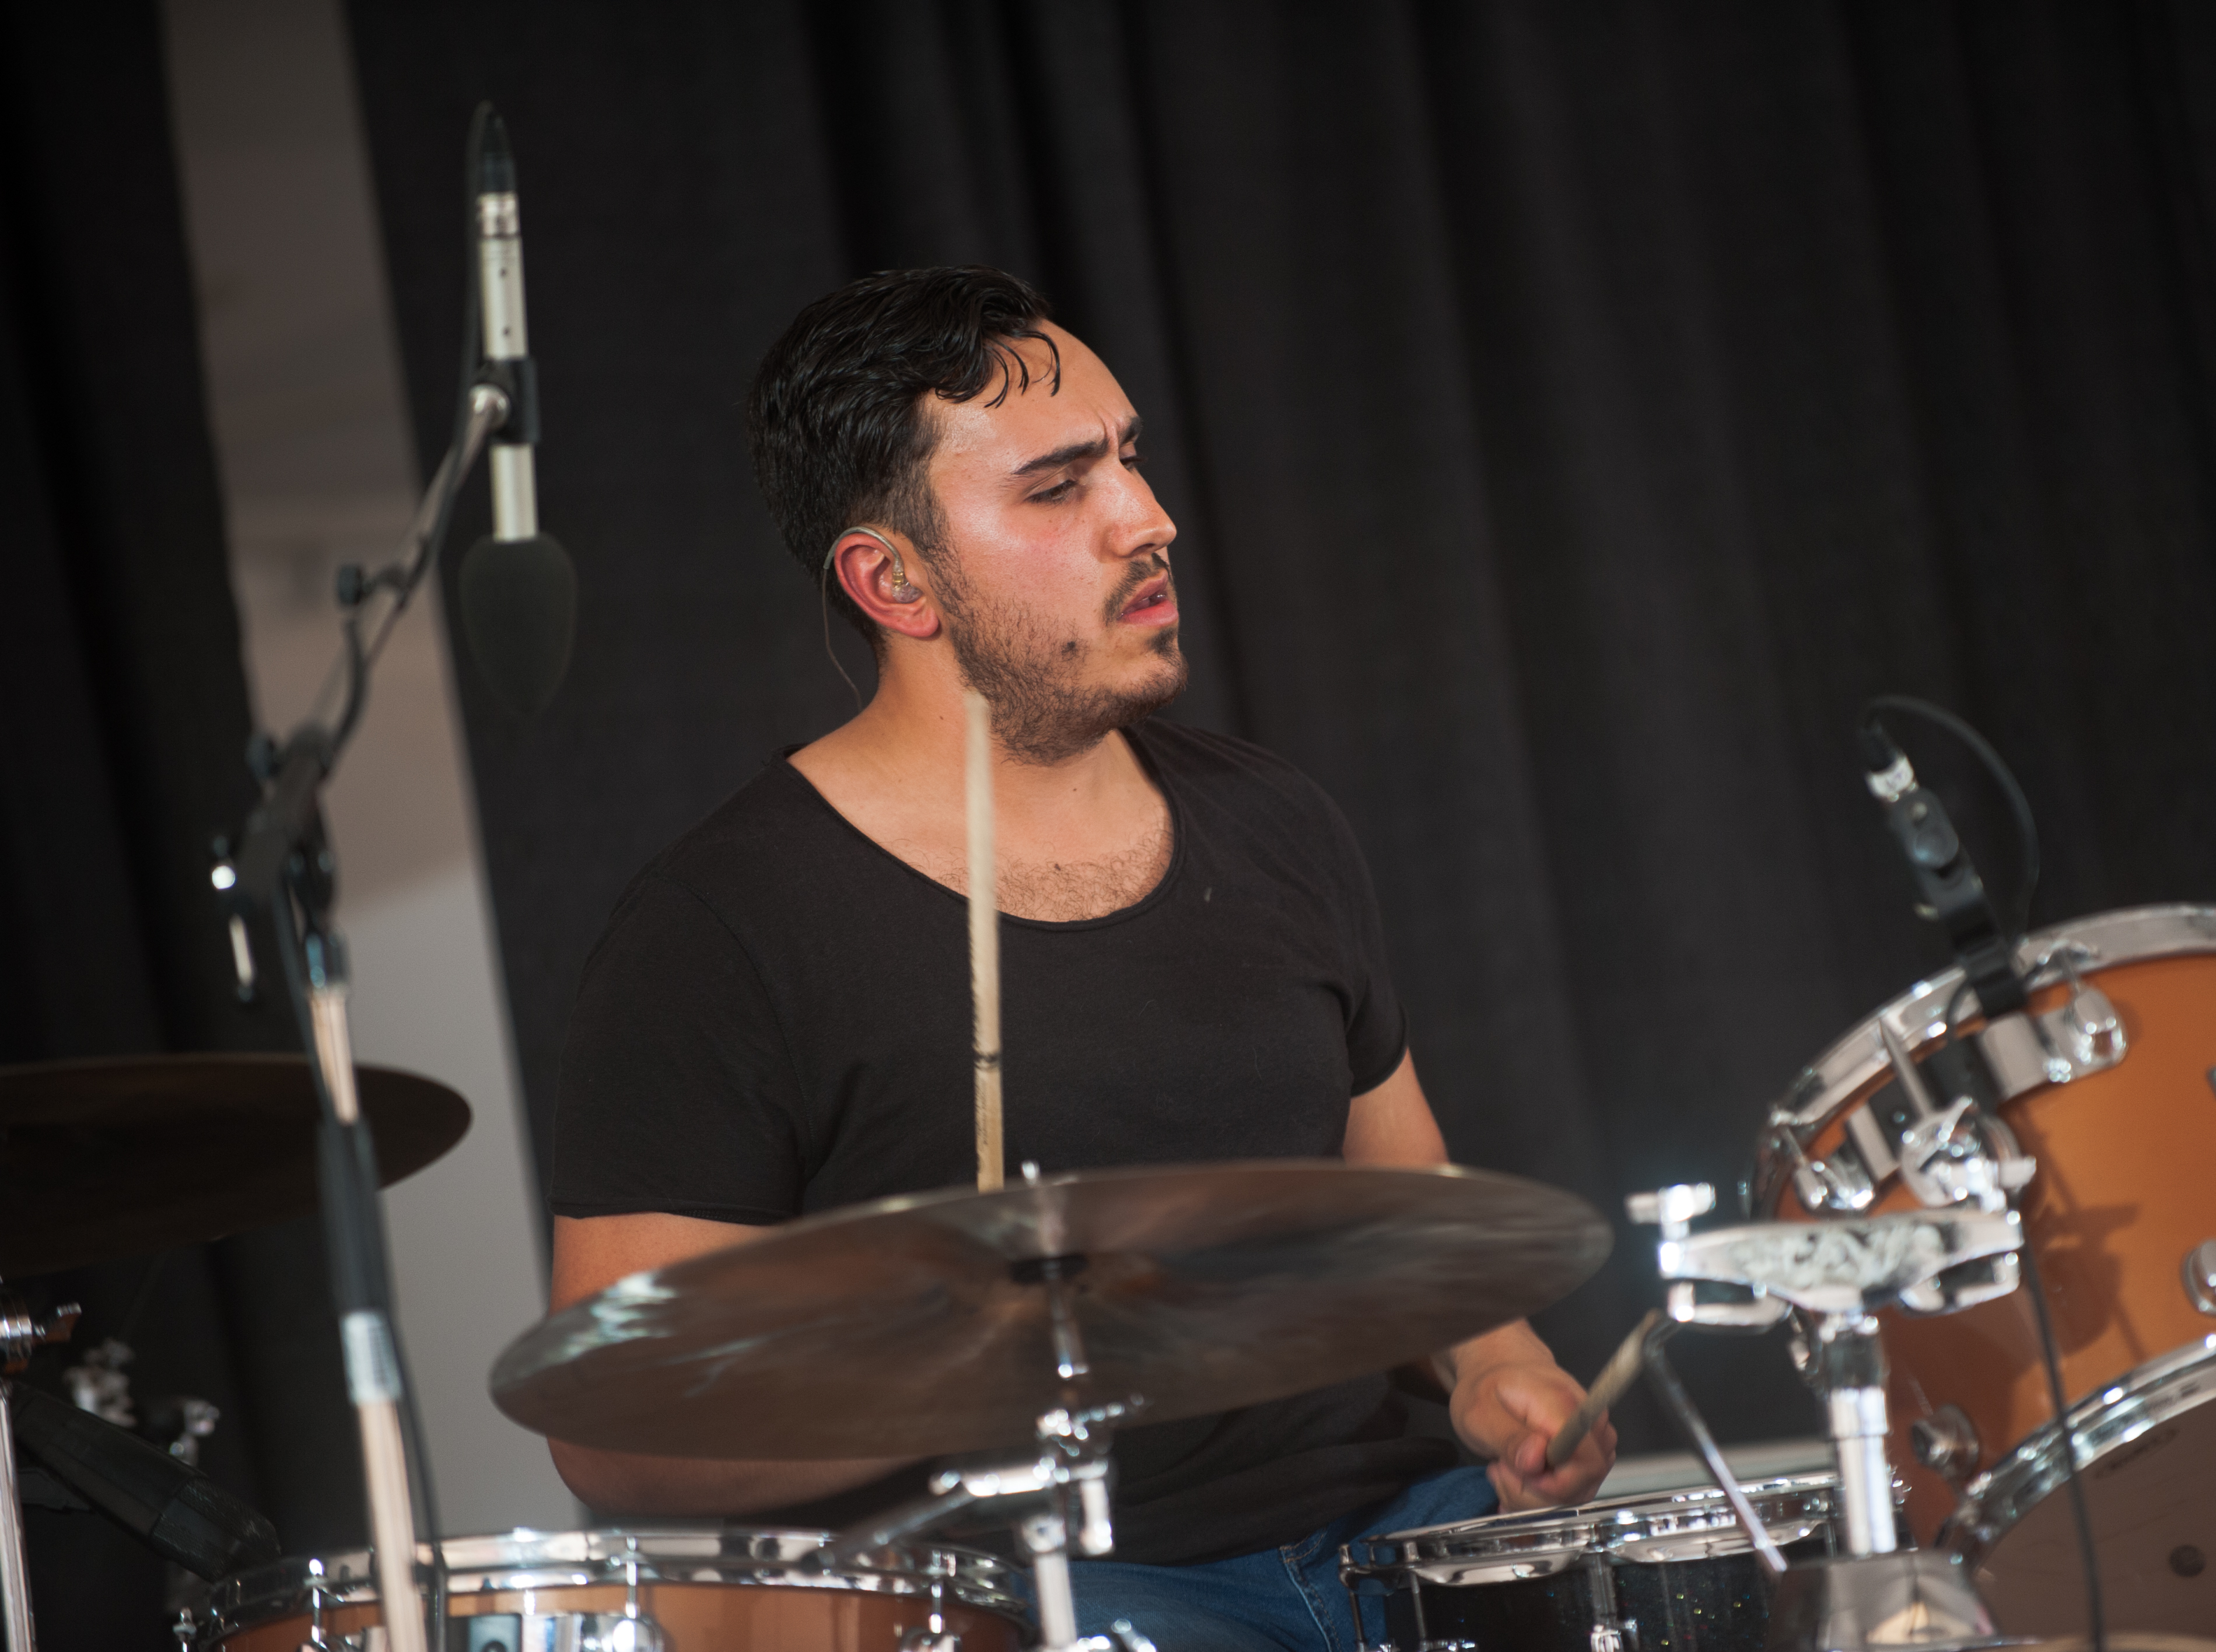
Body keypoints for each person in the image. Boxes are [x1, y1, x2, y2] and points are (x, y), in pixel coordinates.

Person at [544, 265, 1616, 1651]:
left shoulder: (1272, 817)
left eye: (1128, 457)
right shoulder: (718, 928)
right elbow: (620, 1430)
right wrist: (1005, 1378)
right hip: (1050, 1590)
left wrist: (1495, 1366)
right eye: (1059, 488)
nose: (1147, 518)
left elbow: (1406, 1205)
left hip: (1390, 1527)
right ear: (891, 580)